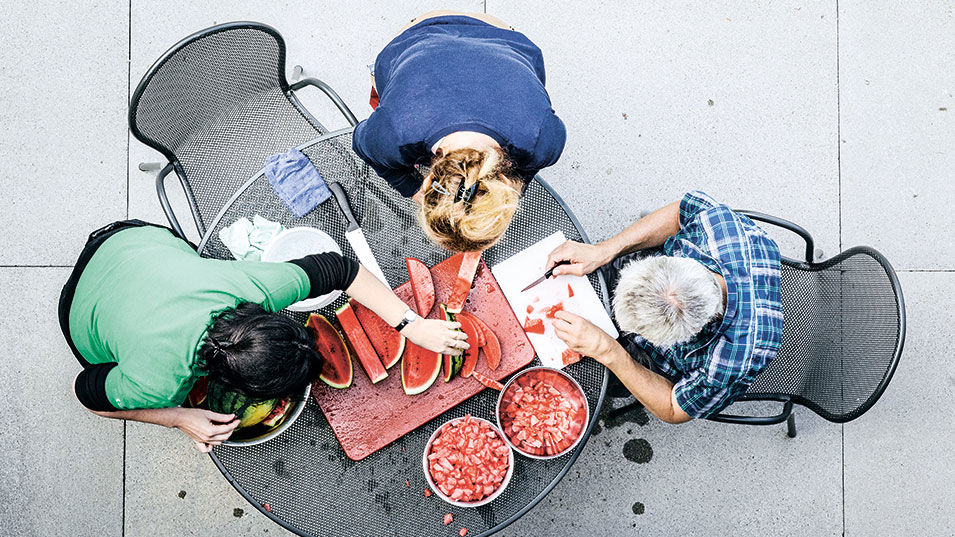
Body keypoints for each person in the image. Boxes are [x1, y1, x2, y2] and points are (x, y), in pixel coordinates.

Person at [61, 221, 467, 452]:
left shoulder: (253, 286)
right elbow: (86, 392)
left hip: (130, 239)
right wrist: (178, 418)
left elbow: (340, 269)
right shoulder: (155, 382)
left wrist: (411, 326)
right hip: (79, 311)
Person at [544, 192, 783, 423]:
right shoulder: (719, 229)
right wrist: (605, 250)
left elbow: (673, 409)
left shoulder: (732, 360)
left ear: (689, 333)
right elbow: (679, 212)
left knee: (575, 375)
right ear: (673, 261)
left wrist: (609, 351)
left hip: (654, 361)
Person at [353, 10, 566, 252]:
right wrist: (412, 189)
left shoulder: (543, 140)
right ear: (427, 182)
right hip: (422, 38)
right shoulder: (392, 135)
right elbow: (360, 144)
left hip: (495, 38)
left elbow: (528, 167)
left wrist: (514, 190)